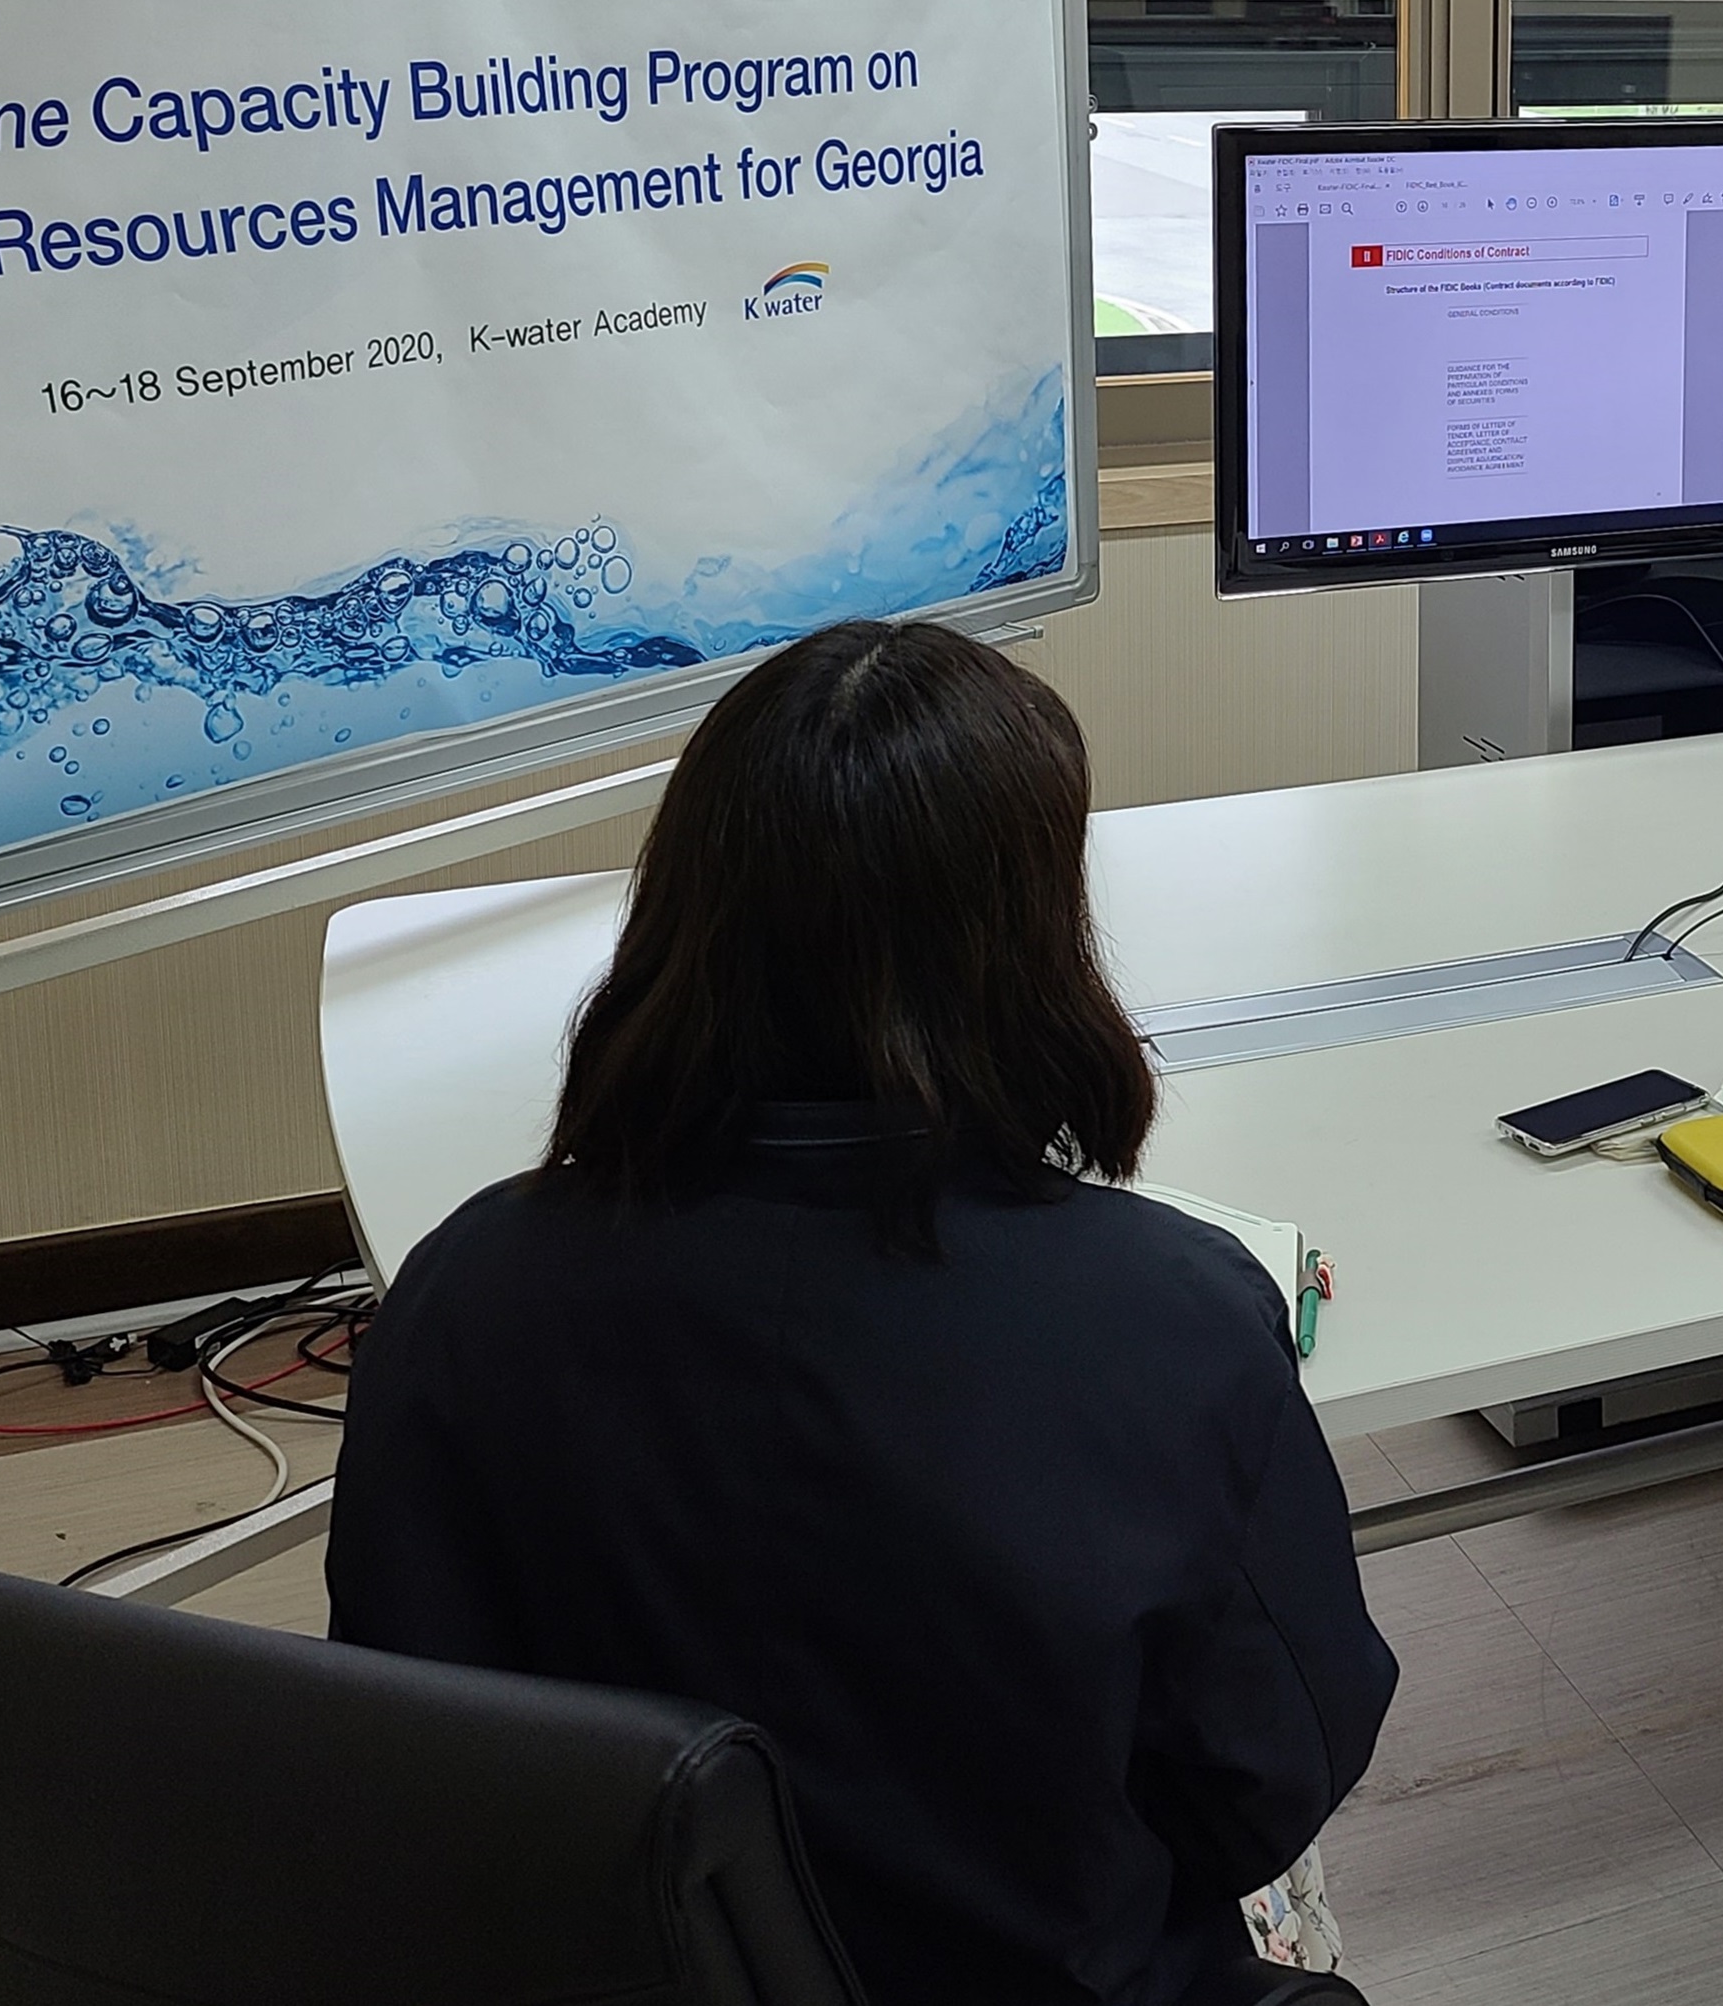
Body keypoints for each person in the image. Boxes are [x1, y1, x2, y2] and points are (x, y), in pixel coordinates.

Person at [331, 621, 1396, 2006]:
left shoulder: (462, 1289)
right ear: (1031, 937)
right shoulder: (1176, 1318)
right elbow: (1269, 1786)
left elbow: (410, 1759)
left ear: (686, 907)